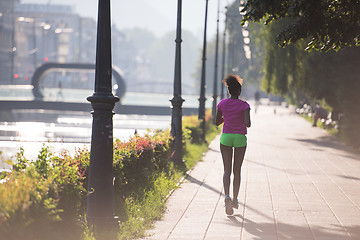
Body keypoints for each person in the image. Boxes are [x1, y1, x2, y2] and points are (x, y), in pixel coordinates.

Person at [216, 74, 251, 215]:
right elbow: (248, 124)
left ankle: (226, 196)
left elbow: (217, 122)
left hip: (226, 138)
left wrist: (227, 117)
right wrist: (240, 117)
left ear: (228, 90)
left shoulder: (222, 104)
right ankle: (235, 199)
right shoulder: (244, 105)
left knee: (226, 170)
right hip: (239, 139)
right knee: (237, 171)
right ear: (239, 91)